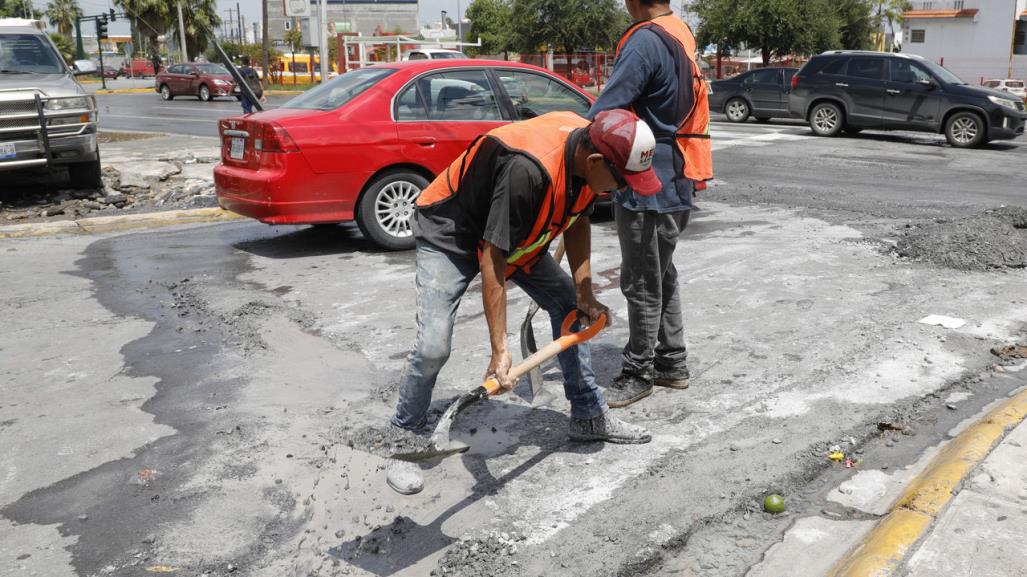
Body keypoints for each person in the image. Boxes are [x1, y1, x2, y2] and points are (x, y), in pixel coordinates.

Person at [385, 109, 662, 495]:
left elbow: (578, 218)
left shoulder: (588, 155)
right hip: (451, 232)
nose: (624, 190)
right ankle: (403, 433)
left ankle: (588, 416)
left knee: (567, 304)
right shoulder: (528, 171)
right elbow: (492, 259)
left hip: (513, 235)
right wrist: (500, 351)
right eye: (622, 180)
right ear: (596, 161)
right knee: (434, 345)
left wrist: (583, 290)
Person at [587, 0, 713, 408]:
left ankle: (638, 369)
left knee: (641, 279)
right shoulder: (680, 32)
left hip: (646, 180)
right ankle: (672, 362)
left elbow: (606, 111)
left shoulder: (644, 41)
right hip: (678, 174)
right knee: (662, 273)